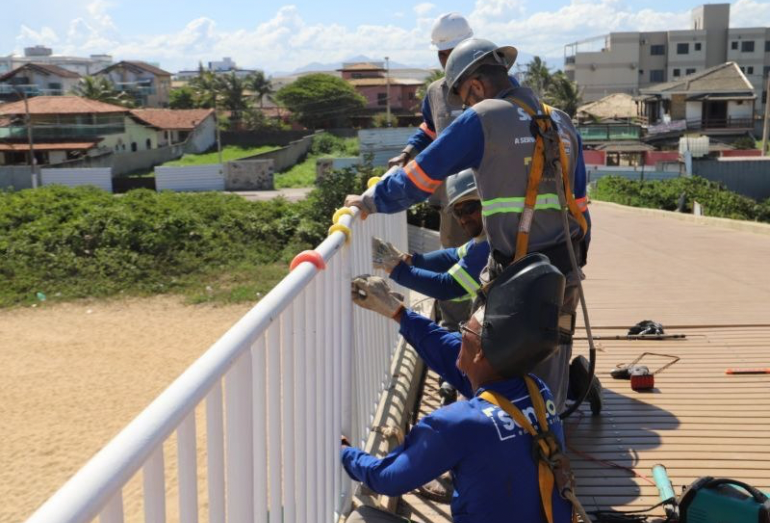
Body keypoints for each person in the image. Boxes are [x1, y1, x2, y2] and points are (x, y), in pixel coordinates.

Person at [345, 38, 594, 413]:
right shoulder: (559, 120)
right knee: (550, 378)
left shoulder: (485, 118)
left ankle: (516, 456)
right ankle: (550, 454)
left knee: (495, 373)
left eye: (464, 96)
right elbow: (580, 207)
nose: (465, 105)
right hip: (565, 269)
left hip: (518, 277)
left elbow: (420, 178)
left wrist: (370, 200)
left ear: (475, 85)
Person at [342, 254, 576, 523]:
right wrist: (399, 313)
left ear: (480, 355)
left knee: (361, 519)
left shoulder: (460, 423)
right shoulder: (538, 392)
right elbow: (453, 355)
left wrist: (344, 452)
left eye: (463, 332)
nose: (457, 337)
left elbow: (387, 479)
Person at [374, 169, 489, 410]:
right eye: (457, 212)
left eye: (469, 209)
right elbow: (453, 255)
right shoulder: (485, 236)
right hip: (503, 329)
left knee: (445, 349)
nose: (463, 218)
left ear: (486, 202)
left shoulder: (490, 244)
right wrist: (411, 260)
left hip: (501, 341)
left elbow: (447, 286)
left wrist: (397, 270)